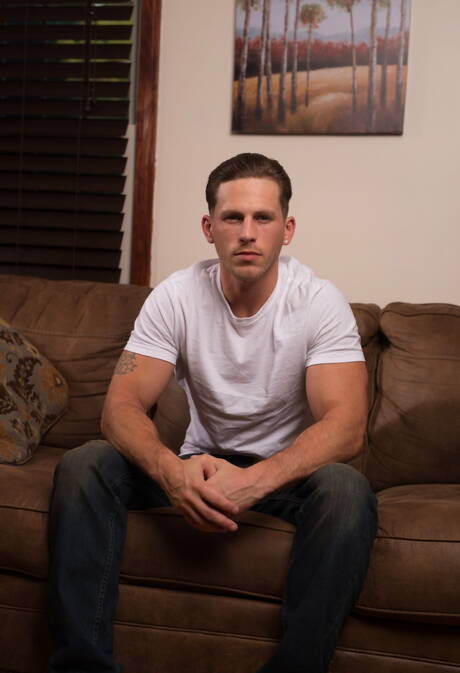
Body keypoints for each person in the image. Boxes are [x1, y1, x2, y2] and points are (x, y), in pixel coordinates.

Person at [46, 153, 378, 673]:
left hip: (285, 476)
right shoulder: (175, 297)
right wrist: (172, 473)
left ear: (287, 229)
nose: (247, 233)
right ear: (209, 228)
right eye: (232, 217)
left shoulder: (319, 302)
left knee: (347, 489)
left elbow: (347, 427)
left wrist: (253, 482)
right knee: (84, 463)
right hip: (198, 463)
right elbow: (120, 408)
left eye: (263, 218)